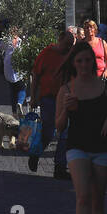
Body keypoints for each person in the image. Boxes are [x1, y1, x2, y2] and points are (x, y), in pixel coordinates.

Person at [54, 40, 107, 214]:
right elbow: (59, 126)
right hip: (77, 146)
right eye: (80, 60)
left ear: (94, 62)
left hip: (103, 147)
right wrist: (66, 108)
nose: (84, 65)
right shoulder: (65, 90)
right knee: (83, 197)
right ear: (73, 62)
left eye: (88, 60)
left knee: (97, 201)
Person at [29, 27, 75, 178]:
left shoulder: (70, 55)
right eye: (67, 44)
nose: (68, 47)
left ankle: (60, 167)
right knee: (49, 132)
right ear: (60, 40)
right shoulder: (46, 54)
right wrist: (34, 97)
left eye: (71, 45)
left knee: (66, 132)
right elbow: (35, 75)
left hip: (65, 98)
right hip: (48, 98)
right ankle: (36, 154)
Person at [0, 28, 26, 112]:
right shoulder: (20, 41)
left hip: (8, 64)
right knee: (22, 86)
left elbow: (0, 47)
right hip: (18, 63)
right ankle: (20, 102)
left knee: (12, 88)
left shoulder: (6, 40)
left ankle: (14, 111)